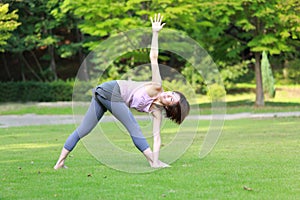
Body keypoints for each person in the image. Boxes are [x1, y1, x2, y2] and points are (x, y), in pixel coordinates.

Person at [53, 13, 190, 169]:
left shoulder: (156, 111)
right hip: (111, 90)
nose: (168, 94)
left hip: (106, 95)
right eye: (171, 93)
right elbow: (153, 57)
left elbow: (157, 137)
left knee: (85, 128)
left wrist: (158, 157)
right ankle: (152, 162)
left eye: (171, 99)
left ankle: (59, 163)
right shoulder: (157, 86)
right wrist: (155, 33)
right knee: (134, 127)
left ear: (169, 107)